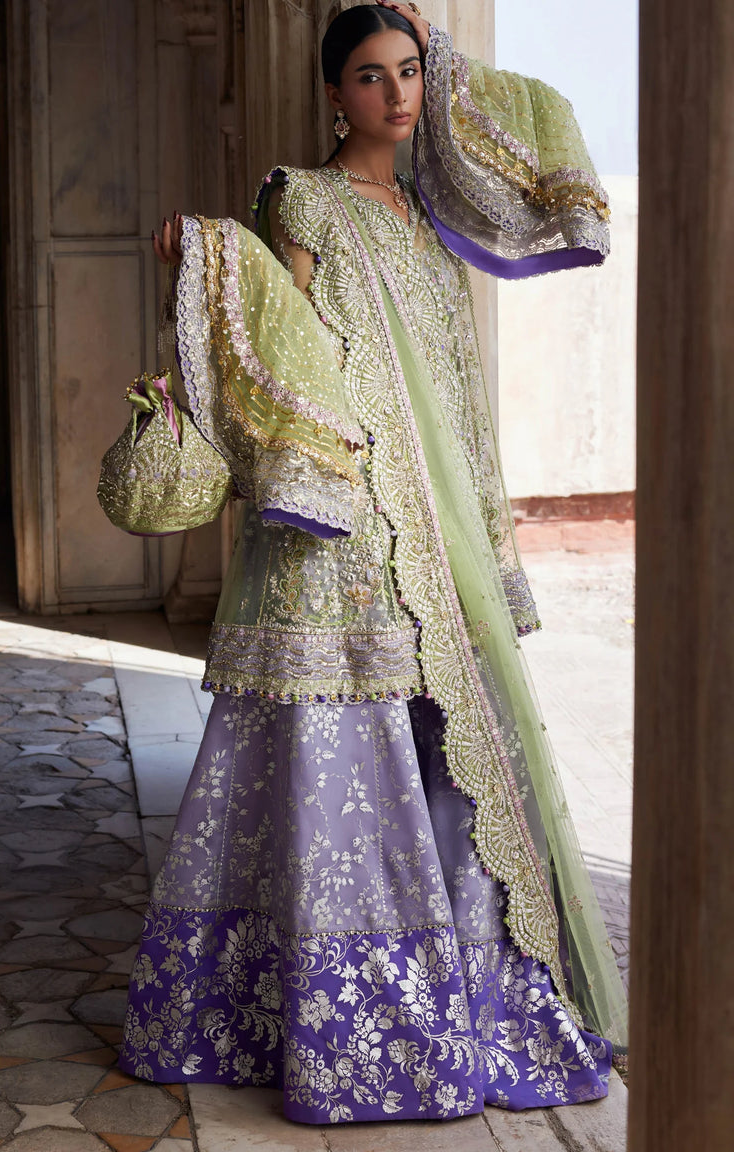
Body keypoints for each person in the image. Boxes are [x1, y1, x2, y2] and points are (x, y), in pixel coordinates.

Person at [117, 0, 628, 1125]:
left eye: (409, 71)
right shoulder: (302, 198)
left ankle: (465, 989)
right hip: (340, 529)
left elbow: (451, 381)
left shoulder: (434, 211)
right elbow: (272, 338)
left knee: (450, 758)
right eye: (367, 75)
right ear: (331, 92)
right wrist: (197, 260)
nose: (394, 95)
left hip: (436, 536)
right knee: (341, 756)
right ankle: (321, 1013)